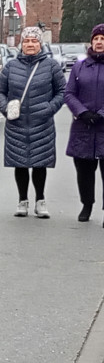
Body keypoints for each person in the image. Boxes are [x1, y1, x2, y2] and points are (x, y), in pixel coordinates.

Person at [0, 26, 65, 218]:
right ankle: (22, 200)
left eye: (34, 41)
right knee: (20, 163)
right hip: (16, 123)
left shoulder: (51, 66)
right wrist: (5, 107)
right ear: (21, 44)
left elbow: (62, 92)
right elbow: (0, 91)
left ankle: (40, 201)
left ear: (40, 44)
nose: (30, 45)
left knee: (40, 163)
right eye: (27, 41)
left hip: (42, 123)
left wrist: (50, 108)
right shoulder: (11, 67)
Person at [65, 24, 104, 223]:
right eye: (96, 39)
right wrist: (82, 112)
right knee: (84, 171)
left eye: (102, 39)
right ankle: (86, 204)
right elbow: (69, 93)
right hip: (84, 127)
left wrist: (101, 114)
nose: (99, 42)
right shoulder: (80, 66)